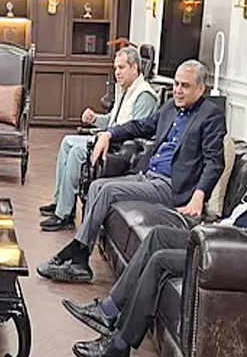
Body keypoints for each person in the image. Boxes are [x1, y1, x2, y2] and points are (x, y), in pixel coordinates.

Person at [64, 105, 247, 357]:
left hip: (235, 253)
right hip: (224, 234)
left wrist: (223, 235)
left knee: (161, 261)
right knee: (157, 236)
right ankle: (108, 311)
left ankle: (120, 344)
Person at [38, 59, 226, 282]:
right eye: (176, 84)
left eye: (185, 86)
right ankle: (81, 259)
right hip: (148, 175)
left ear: (201, 89)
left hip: (171, 187)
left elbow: (214, 162)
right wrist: (109, 134)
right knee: (97, 186)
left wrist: (199, 195)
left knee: (108, 191)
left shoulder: (211, 115)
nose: (177, 90)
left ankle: (78, 255)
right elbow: (140, 126)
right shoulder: (170, 108)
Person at [40, 46, 159, 231]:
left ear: (134, 68)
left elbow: (135, 131)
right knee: (67, 142)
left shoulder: (144, 96)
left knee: (77, 151)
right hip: (109, 139)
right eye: (115, 68)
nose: (117, 72)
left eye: (121, 67)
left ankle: (64, 215)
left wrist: (107, 134)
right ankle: (60, 201)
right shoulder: (125, 89)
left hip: (121, 149)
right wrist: (95, 118)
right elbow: (113, 120)